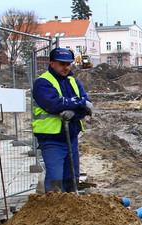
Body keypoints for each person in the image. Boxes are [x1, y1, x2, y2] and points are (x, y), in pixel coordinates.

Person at [32, 48, 93, 192]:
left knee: (72, 178)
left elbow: (87, 106)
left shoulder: (73, 82)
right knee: (55, 182)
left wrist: (74, 112)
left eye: (68, 64)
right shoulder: (43, 83)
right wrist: (79, 103)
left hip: (71, 137)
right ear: (52, 63)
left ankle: (71, 210)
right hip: (52, 139)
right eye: (62, 64)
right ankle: (54, 210)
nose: (66, 67)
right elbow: (53, 104)